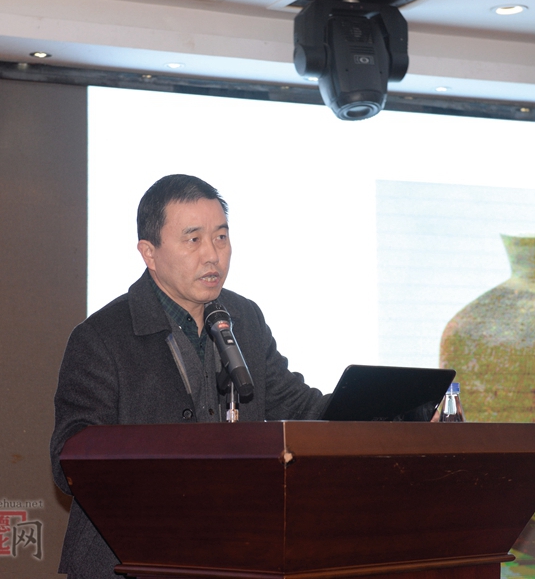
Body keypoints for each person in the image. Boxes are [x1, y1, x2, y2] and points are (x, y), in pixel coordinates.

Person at [50, 174, 329, 579]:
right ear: (149, 253)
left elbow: (300, 406)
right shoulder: (101, 337)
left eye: (221, 237)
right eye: (193, 239)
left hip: (233, 556)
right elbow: (69, 457)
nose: (212, 255)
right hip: (126, 561)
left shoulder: (245, 318)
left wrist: (388, 409)